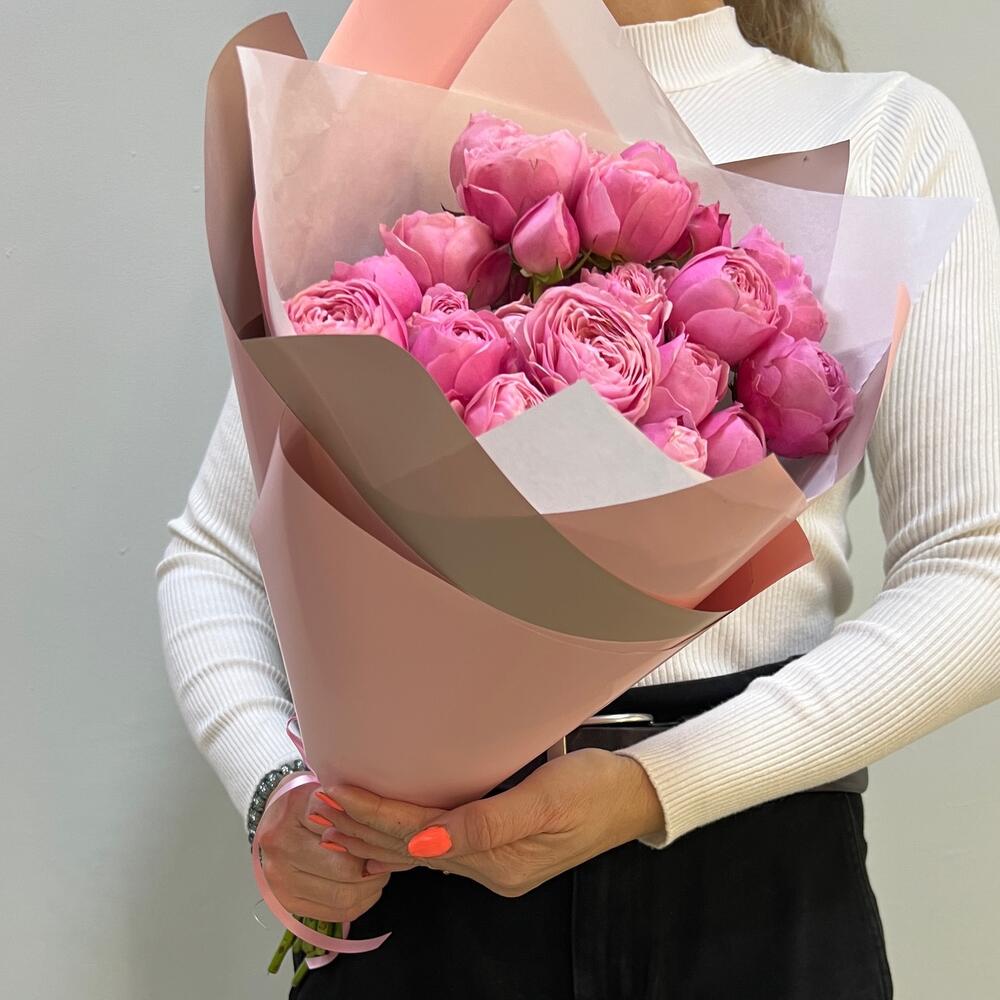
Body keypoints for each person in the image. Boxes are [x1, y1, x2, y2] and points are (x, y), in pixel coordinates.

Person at [157, 1, 1000, 996]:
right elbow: (217, 552)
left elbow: (979, 571)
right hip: (420, 872)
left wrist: (654, 785)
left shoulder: (888, 134)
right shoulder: (409, 107)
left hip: (750, 872)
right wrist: (279, 789)